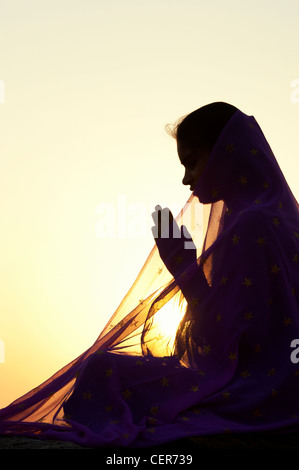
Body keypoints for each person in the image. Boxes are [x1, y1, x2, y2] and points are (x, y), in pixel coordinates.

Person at [0, 102, 299, 449]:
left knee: (103, 372)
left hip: (255, 392)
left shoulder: (251, 224)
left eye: (192, 162)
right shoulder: (270, 217)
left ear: (224, 154)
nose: (187, 179)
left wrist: (184, 269)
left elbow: (221, 346)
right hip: (274, 387)